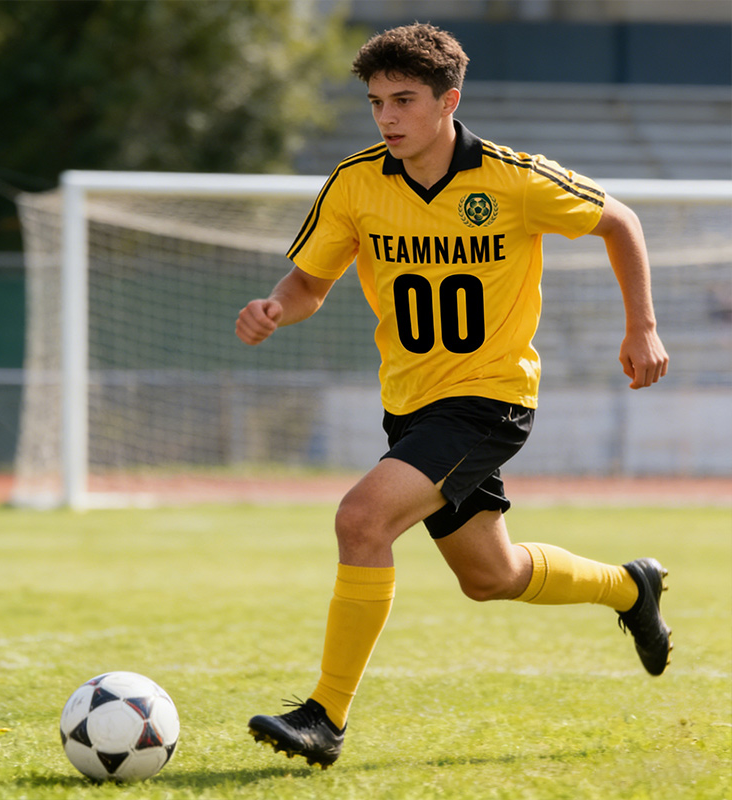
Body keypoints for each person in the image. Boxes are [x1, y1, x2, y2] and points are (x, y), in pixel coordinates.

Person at [235, 22, 671, 769]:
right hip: (410, 406)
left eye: (404, 100)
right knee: (489, 577)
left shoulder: (512, 178)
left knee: (361, 520)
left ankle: (325, 717)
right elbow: (309, 283)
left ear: (448, 101)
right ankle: (630, 589)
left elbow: (619, 221)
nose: (388, 118)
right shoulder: (355, 184)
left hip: (489, 400)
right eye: (376, 103)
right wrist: (276, 306)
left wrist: (643, 329)